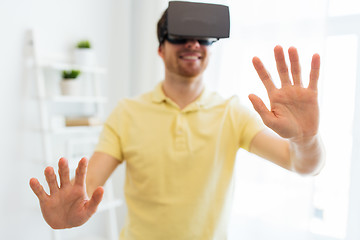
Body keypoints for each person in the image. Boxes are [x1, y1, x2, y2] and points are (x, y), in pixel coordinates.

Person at [29, 4, 324, 240]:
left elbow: (303, 165)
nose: (193, 43)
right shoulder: (127, 112)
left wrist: (305, 138)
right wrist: (72, 208)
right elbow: (90, 183)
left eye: (203, 37)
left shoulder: (231, 113)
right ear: (161, 48)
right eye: (180, 35)